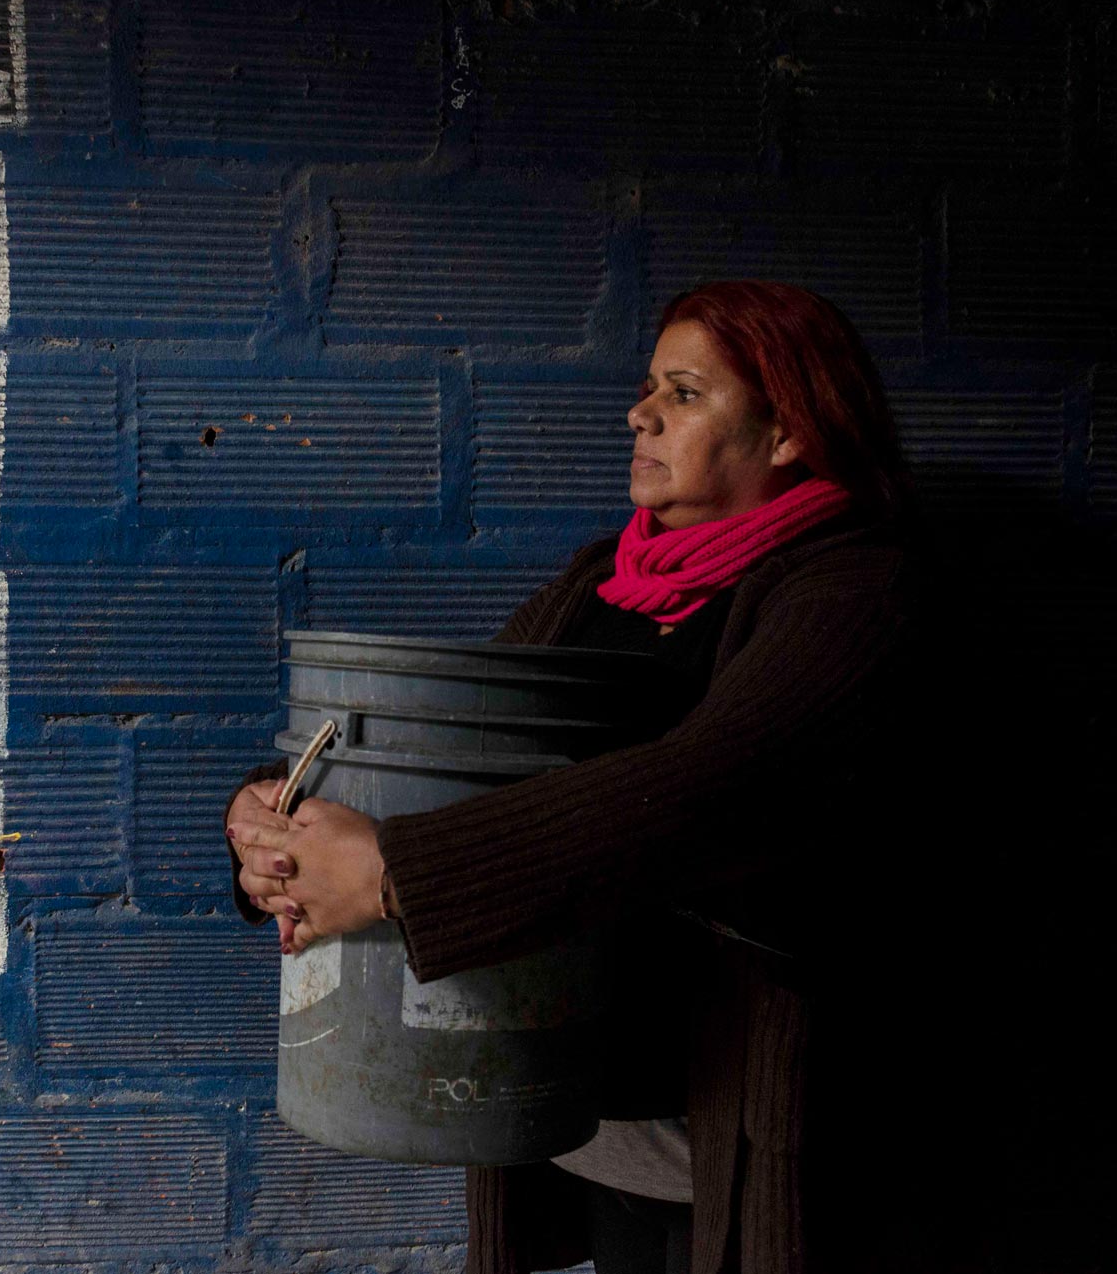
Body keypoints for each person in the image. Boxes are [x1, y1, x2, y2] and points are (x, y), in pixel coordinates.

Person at [226, 281, 1003, 1274]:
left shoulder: (858, 591)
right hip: (598, 1134)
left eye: (683, 393)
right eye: (647, 389)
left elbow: (713, 787)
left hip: (735, 1146)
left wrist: (390, 876)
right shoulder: (605, 582)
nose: (639, 413)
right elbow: (453, 755)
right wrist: (270, 819)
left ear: (786, 436)